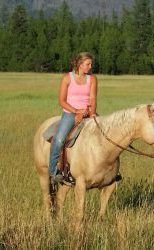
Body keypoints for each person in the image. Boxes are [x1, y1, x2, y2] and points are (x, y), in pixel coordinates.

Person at [49, 52, 98, 183]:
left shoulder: (92, 79)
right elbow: (62, 100)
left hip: (88, 113)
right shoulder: (67, 78)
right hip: (70, 113)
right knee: (59, 139)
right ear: (79, 64)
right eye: (88, 64)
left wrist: (92, 113)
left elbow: (93, 98)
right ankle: (53, 172)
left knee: (104, 135)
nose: (90, 67)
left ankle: (108, 171)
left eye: (91, 64)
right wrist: (77, 112)